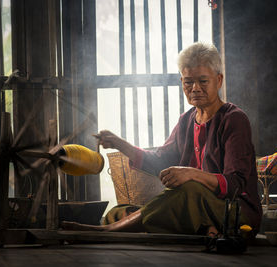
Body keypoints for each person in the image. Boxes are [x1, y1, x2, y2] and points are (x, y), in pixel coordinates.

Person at [62, 42, 262, 237]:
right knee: (119, 211)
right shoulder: (186, 121)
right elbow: (160, 162)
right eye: (188, 81)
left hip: (234, 212)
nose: (195, 88)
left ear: (218, 81)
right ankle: (203, 228)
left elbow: (236, 183)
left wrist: (192, 174)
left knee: (189, 189)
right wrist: (119, 144)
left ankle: (107, 232)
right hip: (193, 208)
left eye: (203, 81)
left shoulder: (234, 119)